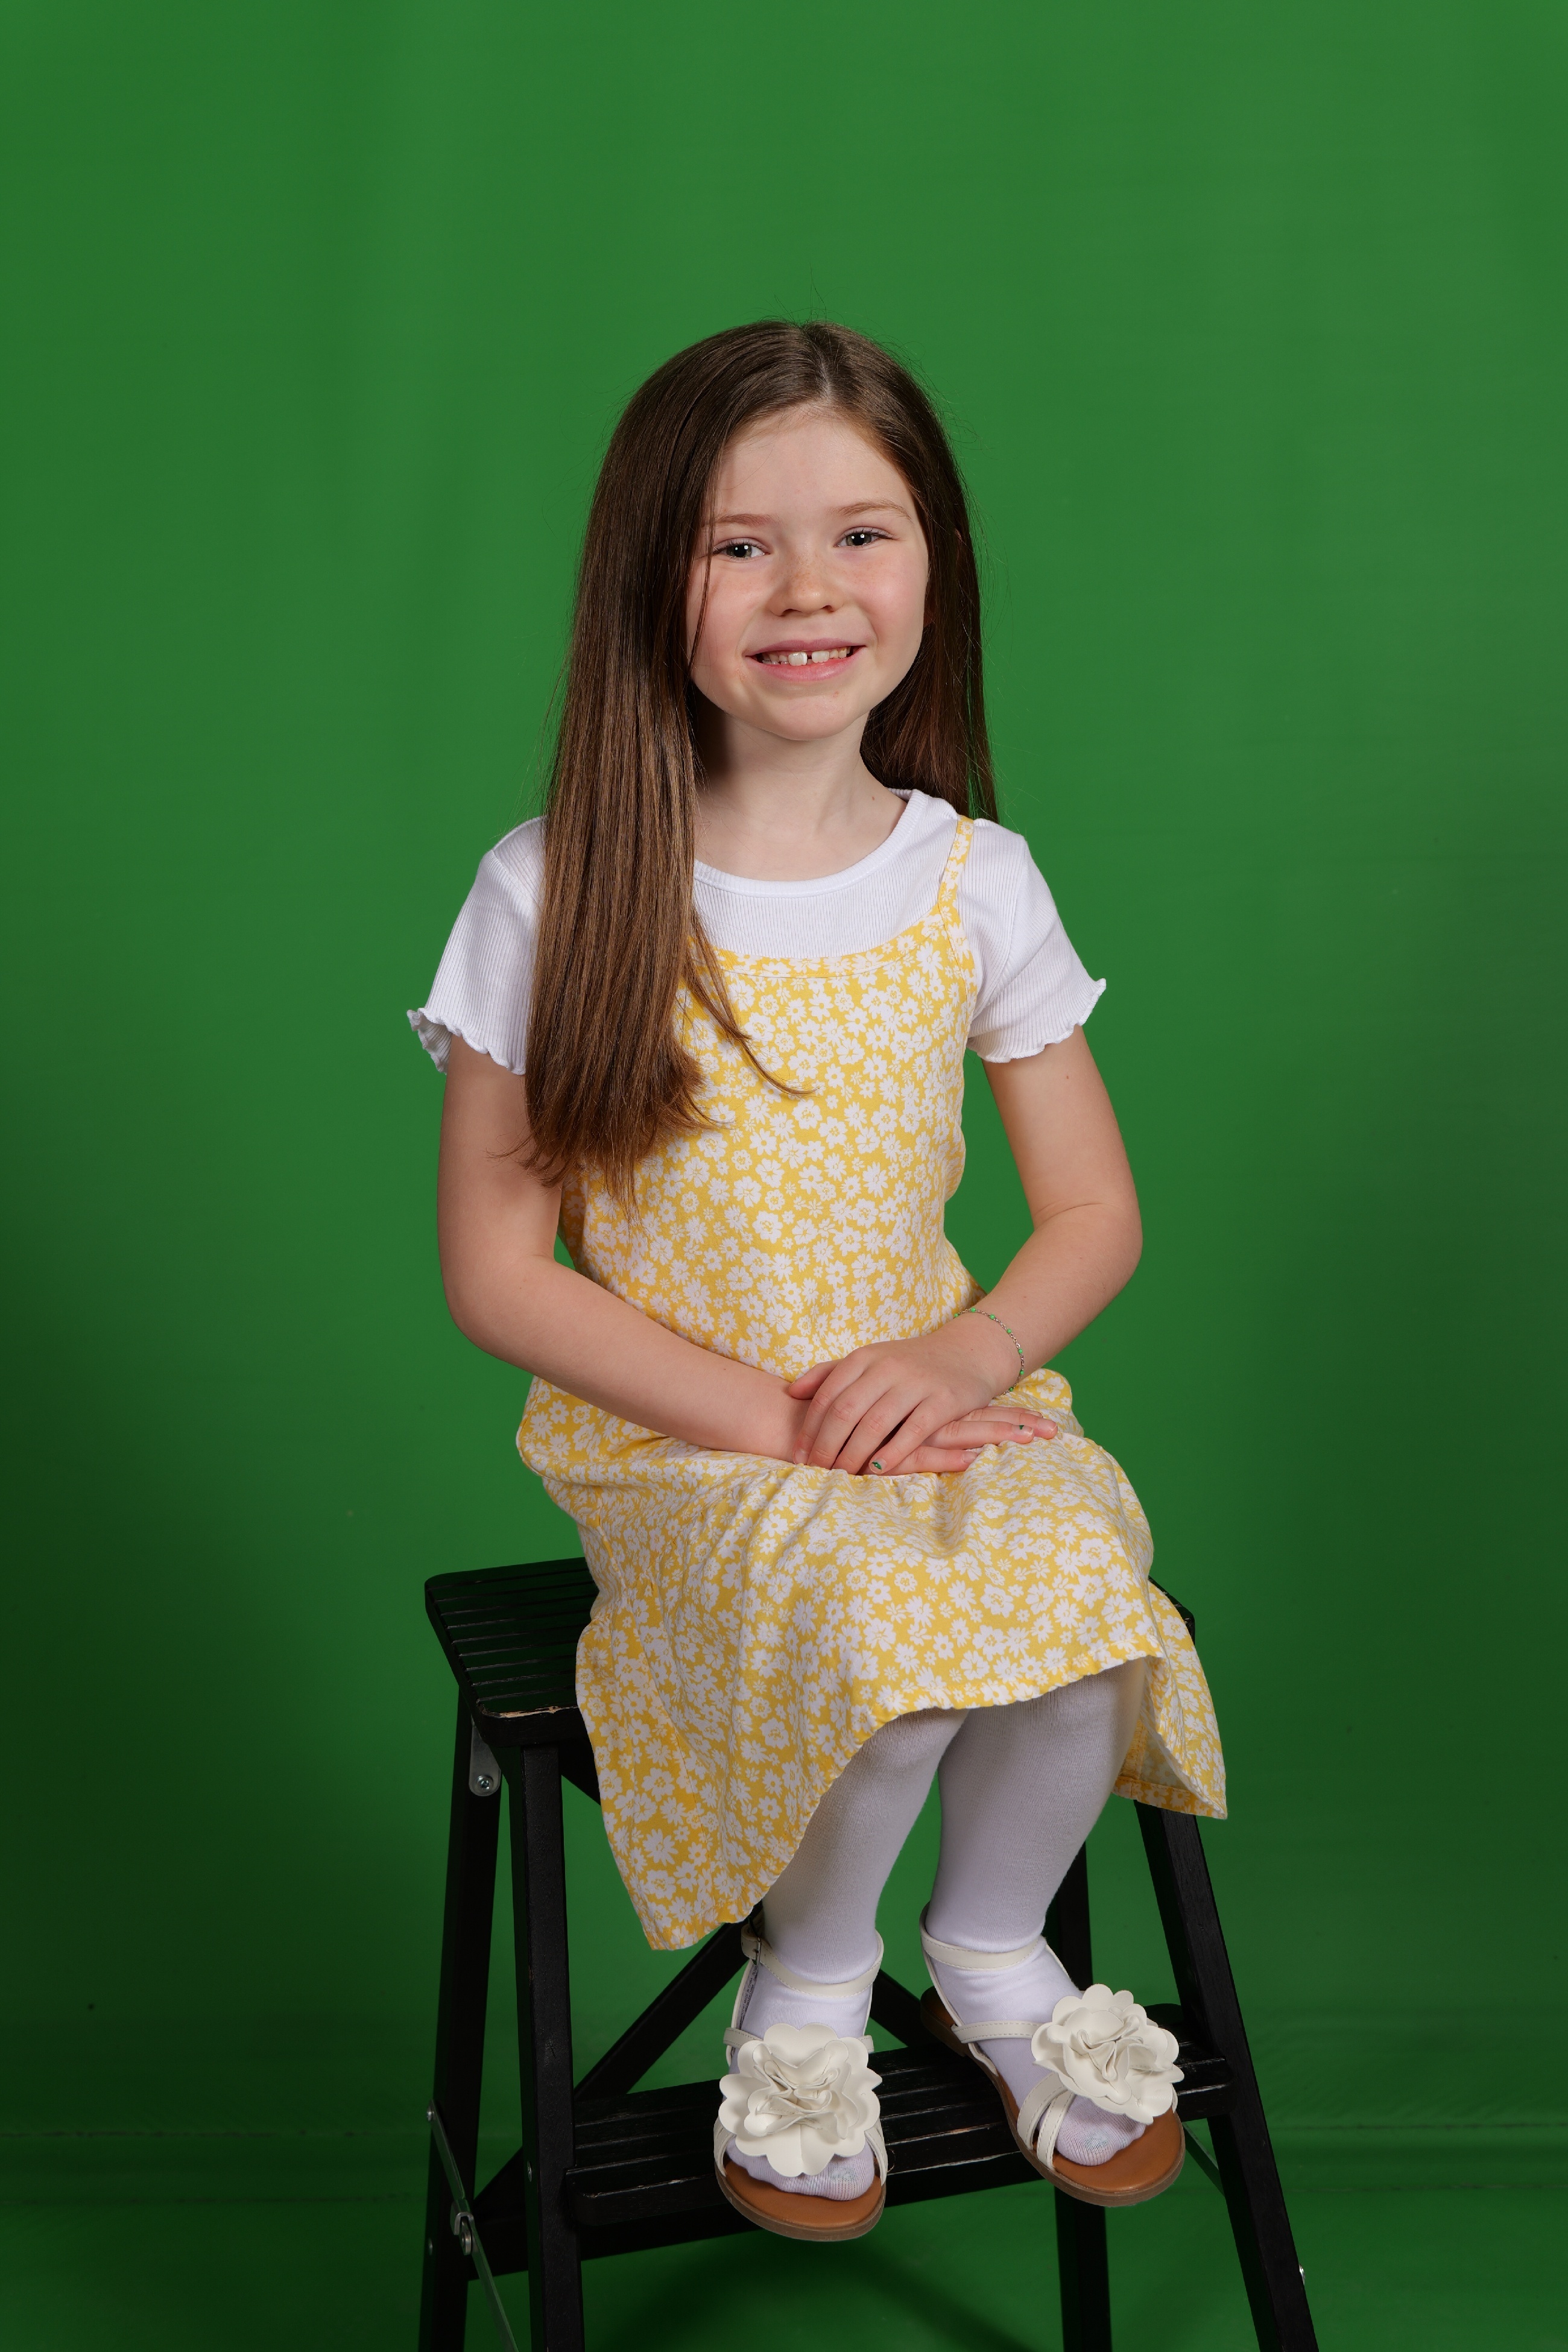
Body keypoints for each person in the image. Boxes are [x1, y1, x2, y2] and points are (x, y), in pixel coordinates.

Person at [411, 320, 1224, 2243]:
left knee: (1087, 1600)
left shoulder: (976, 877)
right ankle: (810, 1983)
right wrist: (784, 1427)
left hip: (938, 1408)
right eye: (738, 545)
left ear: (934, 563)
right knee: (886, 1647)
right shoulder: (557, 887)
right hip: (688, 1445)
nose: (808, 590)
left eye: (862, 533)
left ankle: (994, 1949)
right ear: (653, 582)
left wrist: (962, 1355)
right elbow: (498, 1275)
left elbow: (1093, 1212)